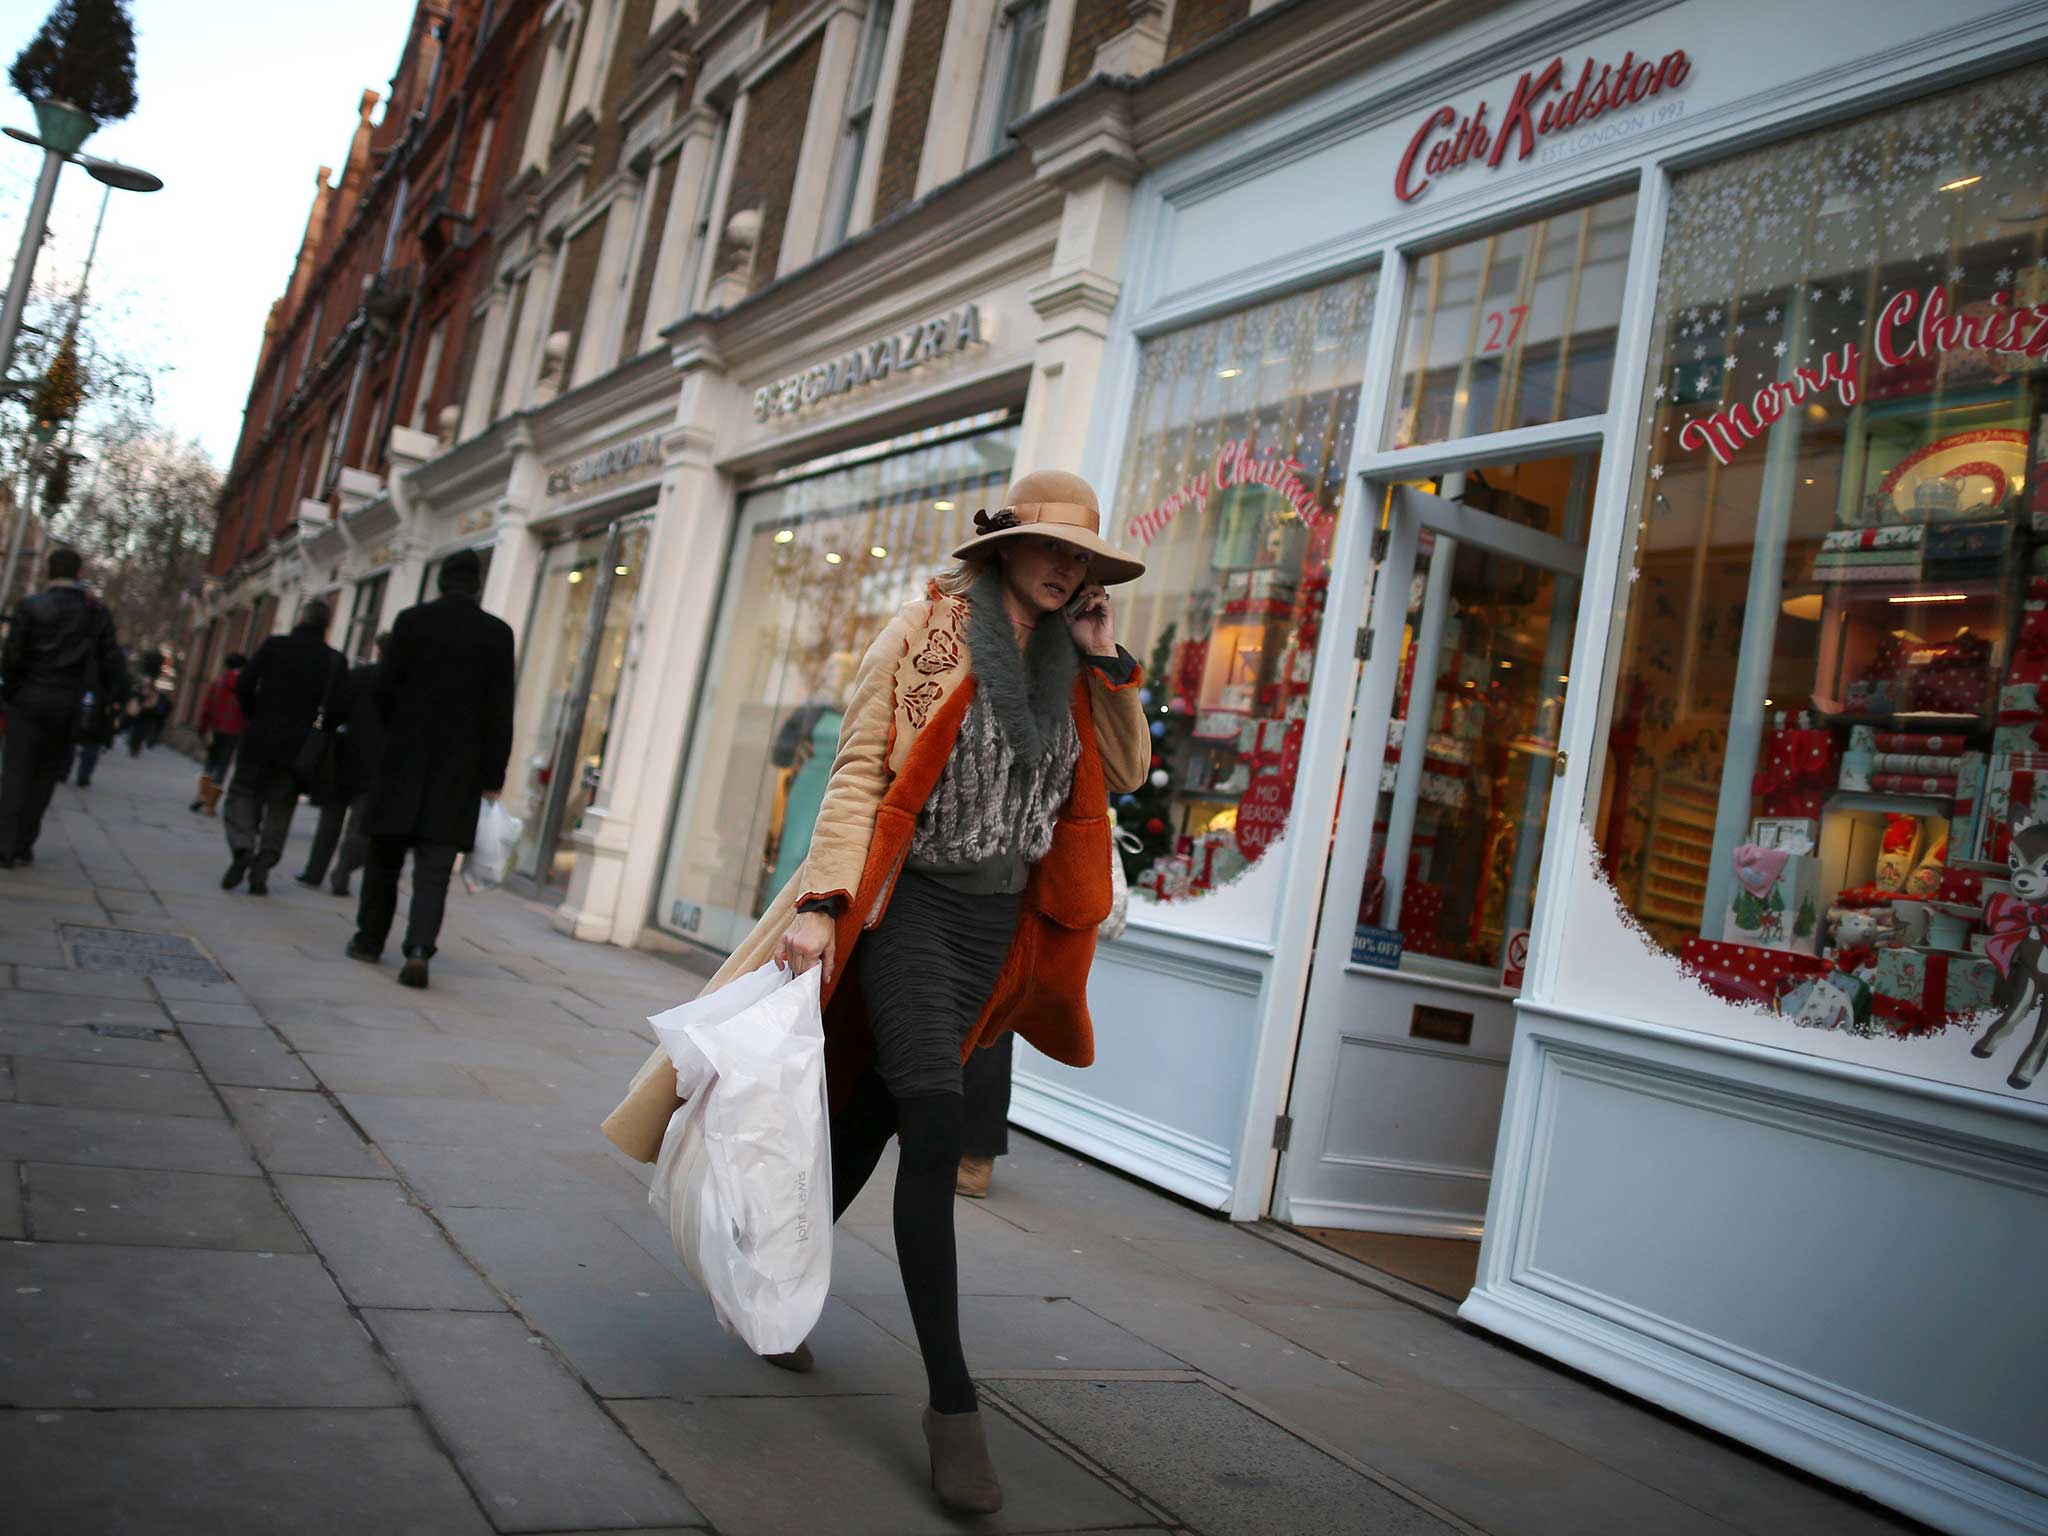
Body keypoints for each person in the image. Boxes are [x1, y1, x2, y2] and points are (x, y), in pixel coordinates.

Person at [601, 470, 1149, 1516]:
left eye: (1079, 557)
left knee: (868, 1114)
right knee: (934, 1123)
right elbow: (858, 772)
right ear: (1002, 549)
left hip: (1003, 932)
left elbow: (1121, 772)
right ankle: (952, 1407)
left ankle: (775, 1288)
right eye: (1047, 548)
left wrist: (1105, 658)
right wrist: (822, 899)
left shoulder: (1075, 664)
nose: (1063, 568)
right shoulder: (925, 634)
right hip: (911, 914)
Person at [349, 551, 514, 988]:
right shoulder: (497, 635)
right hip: (457, 774)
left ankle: (368, 939)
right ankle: (419, 948)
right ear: (477, 585)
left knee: (383, 860)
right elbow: (501, 713)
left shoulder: (410, 622)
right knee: (434, 871)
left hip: (403, 761)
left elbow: (383, 691)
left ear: (441, 581)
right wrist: (493, 777)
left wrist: (393, 738)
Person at [0, 548, 127, 867]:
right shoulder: (95, 612)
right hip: (68, 703)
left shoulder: (30, 607)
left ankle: (4, 843)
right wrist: (112, 700)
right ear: (79, 574)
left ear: (48, 571)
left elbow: (12, 657)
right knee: (45, 776)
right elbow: (112, 660)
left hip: (28, 698)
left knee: (15, 773)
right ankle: (23, 842)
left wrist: (13, 693)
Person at [223, 604, 345, 895]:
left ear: (300, 618)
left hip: (260, 737)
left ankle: (242, 846)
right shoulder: (333, 661)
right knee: (281, 804)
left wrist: (254, 714)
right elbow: (339, 710)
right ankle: (263, 863)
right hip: (299, 748)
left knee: (243, 793)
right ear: (327, 626)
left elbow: (244, 684)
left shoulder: (274, 646)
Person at [298, 633, 387, 896]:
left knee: (330, 818)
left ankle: (314, 871)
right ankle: (342, 874)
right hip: (376, 764)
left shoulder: (358, 676)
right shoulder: (405, 686)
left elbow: (334, 711)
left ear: (377, 649)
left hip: (344, 755)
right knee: (360, 826)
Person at [190, 651, 248, 815]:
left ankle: (201, 795)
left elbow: (207, 707)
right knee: (223, 765)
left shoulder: (218, 683)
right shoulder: (246, 685)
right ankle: (210, 805)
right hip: (235, 730)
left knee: (210, 763)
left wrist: (203, 728)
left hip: (215, 728)